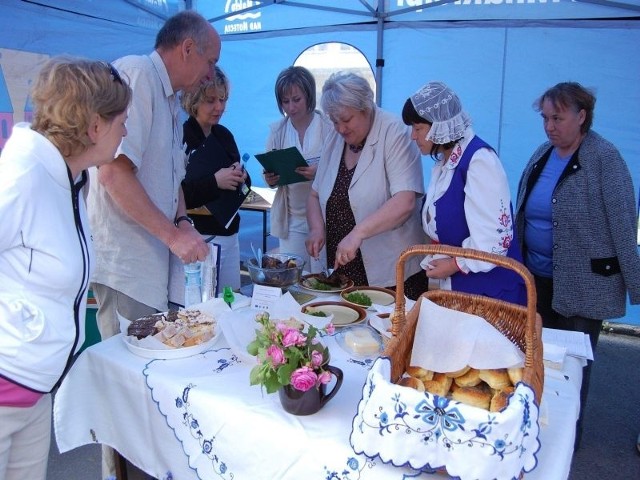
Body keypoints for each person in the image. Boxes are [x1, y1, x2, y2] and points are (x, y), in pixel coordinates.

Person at [87, 10, 220, 478]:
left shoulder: (170, 100)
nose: (210, 74)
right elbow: (113, 172)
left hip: (152, 263)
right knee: (125, 389)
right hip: (127, 264)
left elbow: (170, 179)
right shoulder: (138, 76)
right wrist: (170, 236)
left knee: (148, 385)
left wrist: (183, 222)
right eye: (210, 61)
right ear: (187, 48)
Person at [0, 57, 131, 480]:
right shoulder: (24, 174)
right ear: (95, 126)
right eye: (121, 121)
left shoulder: (71, 177)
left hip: (35, 393)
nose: (125, 132)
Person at [515, 81, 640, 447]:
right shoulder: (542, 153)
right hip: (538, 279)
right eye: (545, 118)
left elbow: (622, 222)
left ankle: (567, 441)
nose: (550, 126)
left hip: (582, 286)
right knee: (537, 358)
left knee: (571, 369)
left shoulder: (605, 158)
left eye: (558, 117)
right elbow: (523, 211)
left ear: (582, 116)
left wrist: (637, 285)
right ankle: (534, 428)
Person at [402, 81, 526, 305]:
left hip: (489, 296)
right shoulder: (446, 163)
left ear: (440, 126)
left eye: (418, 128)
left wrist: (454, 264)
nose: (412, 136)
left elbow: (494, 241)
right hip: (460, 291)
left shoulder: (480, 161)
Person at [306, 71, 428, 299]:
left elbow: (405, 202)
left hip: (389, 273)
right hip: (342, 271)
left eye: (346, 119)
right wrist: (316, 228)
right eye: (334, 121)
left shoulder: (394, 132)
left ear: (366, 107)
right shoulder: (335, 139)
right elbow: (314, 195)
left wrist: (358, 233)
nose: (340, 128)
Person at [177, 65, 250, 293]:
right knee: (203, 306)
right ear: (193, 100)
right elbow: (176, 193)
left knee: (232, 300)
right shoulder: (182, 138)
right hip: (198, 237)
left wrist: (241, 177)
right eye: (210, 100)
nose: (219, 107)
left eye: (223, 99)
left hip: (229, 234)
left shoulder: (224, 135)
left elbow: (240, 185)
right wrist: (214, 182)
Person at [263, 66, 332, 271]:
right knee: (292, 274)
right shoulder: (277, 131)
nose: (291, 107)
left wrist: (319, 171)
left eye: (296, 99)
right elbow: (269, 173)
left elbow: (342, 168)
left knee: (321, 277)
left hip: (324, 217)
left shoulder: (328, 126)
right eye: (285, 101)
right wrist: (271, 179)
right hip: (291, 218)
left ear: (309, 96)